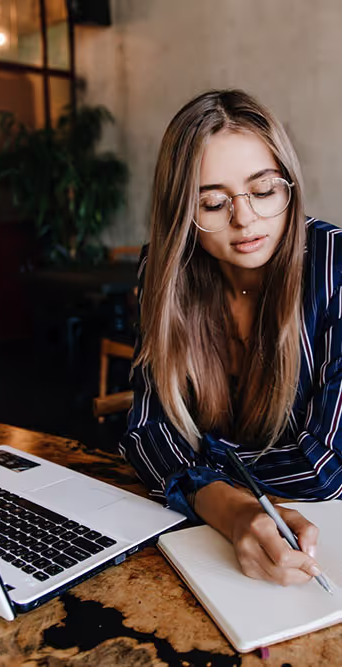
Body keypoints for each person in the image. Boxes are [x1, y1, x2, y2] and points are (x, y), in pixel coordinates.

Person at [119, 89, 342, 588]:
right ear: (182, 212)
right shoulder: (164, 270)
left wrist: (199, 480)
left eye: (264, 191)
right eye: (213, 203)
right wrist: (228, 506)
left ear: (289, 185)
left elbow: (325, 467)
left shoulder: (336, 268)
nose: (244, 219)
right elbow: (148, 432)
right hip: (213, 540)